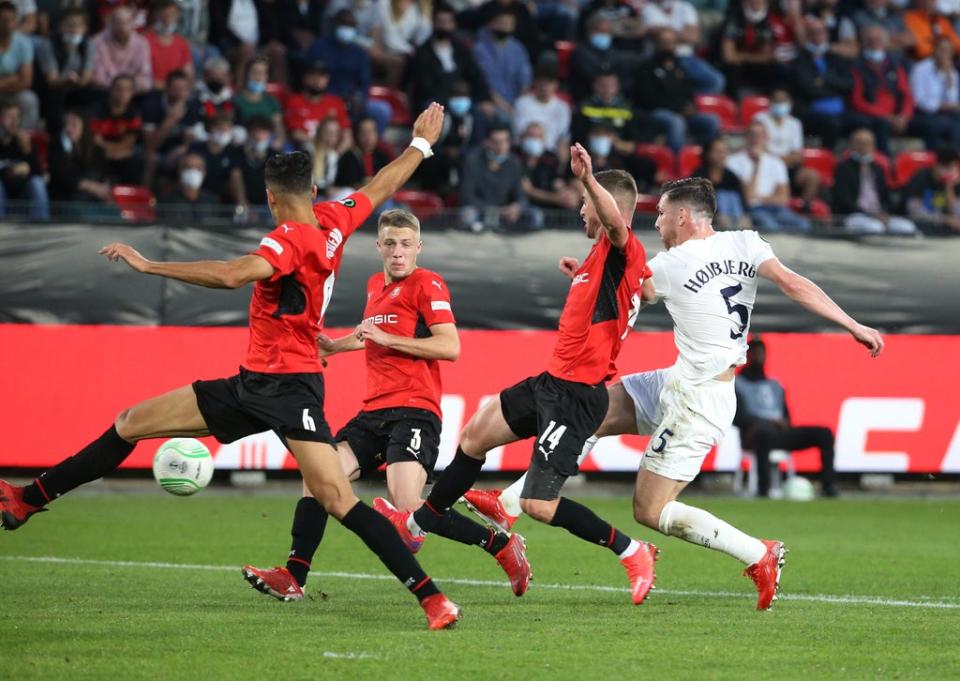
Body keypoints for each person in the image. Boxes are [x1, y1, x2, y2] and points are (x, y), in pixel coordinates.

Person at [0, 103, 464, 632]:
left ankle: (432, 599)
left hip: (290, 391)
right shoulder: (335, 220)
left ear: (269, 200)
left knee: (337, 497)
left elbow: (232, 274)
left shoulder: (285, 239)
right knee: (132, 421)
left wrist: (150, 264)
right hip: (251, 384)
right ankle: (29, 498)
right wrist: (421, 145)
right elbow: (383, 183)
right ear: (313, 192)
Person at [463, 176, 885, 610]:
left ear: (682, 216)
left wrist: (591, 280)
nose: (658, 222)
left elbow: (633, 292)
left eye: (662, 214)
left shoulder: (668, 264)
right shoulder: (746, 242)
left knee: (649, 510)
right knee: (593, 406)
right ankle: (510, 503)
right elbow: (793, 283)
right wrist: (851, 324)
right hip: (677, 380)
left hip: (700, 400)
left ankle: (760, 554)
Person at [389, 146, 660, 607]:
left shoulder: (622, 243)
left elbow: (619, 228)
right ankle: (418, 527)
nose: (579, 208)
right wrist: (587, 277)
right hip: (551, 382)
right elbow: (648, 293)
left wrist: (590, 178)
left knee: (539, 505)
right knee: (475, 434)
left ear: (603, 203)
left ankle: (634, 550)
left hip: (577, 396)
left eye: (584, 201)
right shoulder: (610, 260)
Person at [241, 207, 531, 601]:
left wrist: (390, 340)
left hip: (415, 410)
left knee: (408, 505)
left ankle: (499, 545)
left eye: (406, 245)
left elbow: (450, 346)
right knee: (318, 478)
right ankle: (294, 576)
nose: (398, 251)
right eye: (391, 243)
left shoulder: (429, 284)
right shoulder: (374, 284)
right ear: (379, 246)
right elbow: (372, 335)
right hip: (372, 413)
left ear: (418, 248)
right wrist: (336, 347)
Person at [735, 337, 838, 498]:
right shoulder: (738, 384)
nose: (759, 357)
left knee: (824, 433)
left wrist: (783, 422)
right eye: (754, 353)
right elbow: (739, 418)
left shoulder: (775, 385)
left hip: (780, 433)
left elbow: (786, 416)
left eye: (762, 353)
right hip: (755, 435)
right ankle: (764, 490)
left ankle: (829, 487)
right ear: (747, 356)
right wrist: (767, 422)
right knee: (764, 433)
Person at [634, 29, 719, 153]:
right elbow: (647, 98)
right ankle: (675, 161)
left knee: (711, 120)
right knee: (676, 122)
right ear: (656, 45)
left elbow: (688, 92)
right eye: (664, 42)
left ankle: (705, 156)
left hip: (682, 112)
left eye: (671, 42)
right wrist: (677, 109)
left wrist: (692, 107)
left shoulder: (680, 68)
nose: (668, 46)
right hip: (655, 112)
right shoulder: (646, 67)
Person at [726, 121, 810, 232]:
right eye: (753, 135)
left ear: (766, 138)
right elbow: (748, 197)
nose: (756, 139)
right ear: (746, 137)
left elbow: (784, 198)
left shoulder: (776, 162)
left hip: (776, 208)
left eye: (760, 135)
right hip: (752, 209)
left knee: (803, 224)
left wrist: (761, 198)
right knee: (771, 227)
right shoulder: (733, 161)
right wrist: (756, 165)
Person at [833, 128, 917, 234]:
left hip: (878, 214)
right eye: (860, 143)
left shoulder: (878, 169)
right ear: (852, 145)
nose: (864, 147)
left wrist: (885, 213)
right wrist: (870, 215)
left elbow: (885, 197)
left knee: (907, 227)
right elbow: (844, 200)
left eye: (868, 144)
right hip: (854, 215)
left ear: (873, 146)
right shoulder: (844, 168)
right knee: (875, 228)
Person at [791, 17, 855, 150]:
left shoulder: (836, 58)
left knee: (867, 122)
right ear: (807, 35)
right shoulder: (800, 60)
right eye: (813, 32)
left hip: (841, 111)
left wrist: (825, 80)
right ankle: (828, 157)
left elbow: (849, 84)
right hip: (811, 113)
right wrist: (835, 89)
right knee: (832, 123)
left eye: (821, 32)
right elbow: (808, 89)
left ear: (827, 34)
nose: (817, 36)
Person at [850, 25, 914, 155]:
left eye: (878, 40)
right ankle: (885, 161)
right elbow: (857, 100)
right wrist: (885, 116)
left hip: (896, 116)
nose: (874, 44)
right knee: (881, 124)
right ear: (863, 43)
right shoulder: (857, 66)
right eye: (870, 40)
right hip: (873, 116)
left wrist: (904, 116)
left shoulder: (895, 66)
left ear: (884, 43)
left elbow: (906, 94)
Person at [640, 0, 725, 94]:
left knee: (716, 81)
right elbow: (661, 37)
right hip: (659, 59)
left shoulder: (685, 7)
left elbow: (694, 38)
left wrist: (668, 31)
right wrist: (682, 32)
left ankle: (687, 101)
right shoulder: (647, 8)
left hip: (686, 58)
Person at [753, 88, 821, 207]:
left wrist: (780, 161)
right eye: (777, 101)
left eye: (783, 101)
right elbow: (759, 146)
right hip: (766, 165)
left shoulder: (795, 123)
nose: (780, 104)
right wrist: (777, 161)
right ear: (771, 102)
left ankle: (803, 208)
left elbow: (797, 155)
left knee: (812, 176)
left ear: (790, 103)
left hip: (788, 166)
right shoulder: (760, 119)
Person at [458, 124, 529, 231]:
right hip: (480, 210)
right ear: (487, 142)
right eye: (496, 142)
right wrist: (496, 211)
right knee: (467, 215)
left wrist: (516, 207)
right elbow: (467, 196)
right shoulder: (473, 160)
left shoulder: (514, 163)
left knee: (535, 216)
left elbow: (521, 195)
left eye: (504, 141)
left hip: (507, 212)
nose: (500, 146)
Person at [472, 9, 531, 117]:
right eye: (501, 23)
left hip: (516, 102)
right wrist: (505, 107)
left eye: (509, 24)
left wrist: (520, 105)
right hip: (491, 102)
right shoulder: (480, 49)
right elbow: (484, 83)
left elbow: (524, 80)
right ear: (491, 24)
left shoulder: (518, 48)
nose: (505, 27)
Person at [284, 60, 352, 151]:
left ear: (327, 79)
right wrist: (321, 148)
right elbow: (295, 134)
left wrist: (335, 155)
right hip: (305, 152)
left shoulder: (336, 103)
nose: (317, 79)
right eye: (313, 74)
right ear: (304, 77)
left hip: (334, 152)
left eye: (322, 75)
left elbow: (347, 136)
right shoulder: (295, 102)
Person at [90, 73, 144, 184]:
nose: (122, 93)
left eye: (127, 90)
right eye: (118, 88)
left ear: (132, 93)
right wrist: (110, 151)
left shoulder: (134, 114)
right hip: (99, 152)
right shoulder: (97, 110)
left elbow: (128, 144)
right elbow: (96, 141)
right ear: (111, 89)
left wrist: (113, 151)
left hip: (123, 153)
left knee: (135, 159)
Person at [908, 37, 960, 150]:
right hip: (923, 114)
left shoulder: (953, 72)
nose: (945, 54)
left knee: (955, 122)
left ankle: (954, 159)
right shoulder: (920, 69)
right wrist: (943, 106)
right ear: (934, 50)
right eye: (942, 50)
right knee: (942, 125)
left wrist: (949, 79)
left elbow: (952, 100)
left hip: (946, 115)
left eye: (949, 51)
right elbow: (919, 100)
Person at [0, 100, 47, 219]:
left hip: (23, 193)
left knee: (37, 183)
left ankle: (40, 228)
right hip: (3, 191)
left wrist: (28, 152)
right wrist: (9, 171)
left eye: (17, 117)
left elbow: (39, 173)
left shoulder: (25, 142)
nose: (14, 121)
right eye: (9, 116)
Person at [512, 64, 570, 159]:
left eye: (549, 83)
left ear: (556, 85)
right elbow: (520, 134)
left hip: (550, 156)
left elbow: (563, 140)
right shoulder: (522, 103)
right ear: (535, 83)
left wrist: (560, 169)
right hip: (524, 152)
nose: (544, 87)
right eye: (541, 83)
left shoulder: (562, 108)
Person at [692, 137, 749, 230]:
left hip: (732, 217)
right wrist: (716, 216)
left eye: (724, 152)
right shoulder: (698, 177)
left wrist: (744, 216)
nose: (721, 155)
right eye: (717, 152)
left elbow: (741, 201)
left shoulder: (732, 177)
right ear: (708, 154)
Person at [91, 6, 152, 93]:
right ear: (111, 23)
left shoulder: (142, 43)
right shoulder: (97, 41)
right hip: (105, 92)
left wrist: (128, 89)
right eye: (118, 22)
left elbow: (145, 77)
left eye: (126, 22)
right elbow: (98, 77)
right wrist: (120, 88)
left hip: (134, 93)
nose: (122, 27)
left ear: (133, 24)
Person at [904, 144, 960, 232]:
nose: (952, 171)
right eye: (948, 167)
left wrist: (949, 188)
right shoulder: (921, 177)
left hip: (939, 224)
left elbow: (956, 213)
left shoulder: (951, 183)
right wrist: (944, 219)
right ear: (937, 165)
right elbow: (914, 211)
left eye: (954, 167)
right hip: (912, 221)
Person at [0, 0, 38, 129]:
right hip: (11, 87)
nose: (8, 25)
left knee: (30, 100)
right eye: (4, 20)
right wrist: (13, 78)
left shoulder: (24, 43)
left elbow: (26, 81)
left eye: (12, 20)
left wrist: (4, 82)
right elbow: (19, 78)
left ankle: (24, 138)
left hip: (14, 92)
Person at [156, 151, 219, 223]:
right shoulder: (166, 201)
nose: (193, 172)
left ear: (204, 172)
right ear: (180, 171)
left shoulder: (212, 201)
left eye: (198, 168)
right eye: (188, 167)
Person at [145, 0, 193, 90]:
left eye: (172, 15)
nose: (167, 19)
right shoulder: (146, 41)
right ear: (156, 15)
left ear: (177, 16)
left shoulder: (181, 43)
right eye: (164, 15)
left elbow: (188, 74)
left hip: (175, 91)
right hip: (152, 90)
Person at [335, 117, 392, 190]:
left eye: (371, 132)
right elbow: (346, 185)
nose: (368, 136)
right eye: (364, 132)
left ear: (377, 134)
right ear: (357, 135)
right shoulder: (348, 157)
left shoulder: (383, 156)